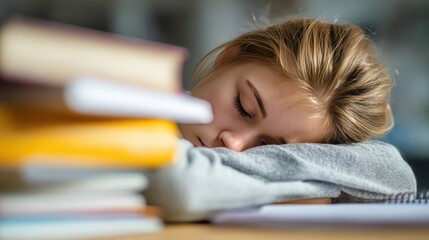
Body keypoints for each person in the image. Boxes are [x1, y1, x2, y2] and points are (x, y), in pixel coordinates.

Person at [144, 18, 416, 222]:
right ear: (228, 58)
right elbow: (177, 187)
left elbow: (396, 176)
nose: (234, 144)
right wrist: (296, 189)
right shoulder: (129, 108)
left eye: (269, 146)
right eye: (243, 107)